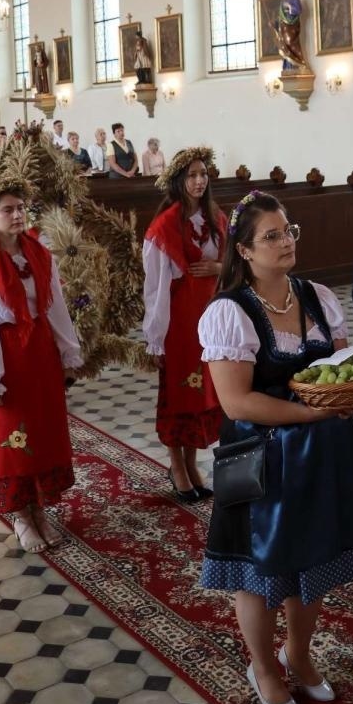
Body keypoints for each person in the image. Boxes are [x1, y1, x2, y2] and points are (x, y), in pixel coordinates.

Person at [198, 190, 353, 704]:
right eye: (272, 236)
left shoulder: (318, 296)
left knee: (315, 561)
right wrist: (314, 415)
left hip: (323, 455)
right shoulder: (229, 313)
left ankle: (297, 655)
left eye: (289, 231)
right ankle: (264, 667)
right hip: (261, 459)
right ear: (245, 250)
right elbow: (236, 401)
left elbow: (342, 366)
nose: (286, 241)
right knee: (260, 571)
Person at [0, 184, 83, 552]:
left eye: (21, 207)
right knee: (12, 435)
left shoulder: (40, 255)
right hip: (5, 355)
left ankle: (39, 508)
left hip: (39, 354)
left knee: (40, 433)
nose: (18, 215)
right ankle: (21, 515)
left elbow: (55, 308)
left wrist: (68, 354)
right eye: (8, 209)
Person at [143, 148, 226, 499]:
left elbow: (236, 262)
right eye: (192, 175)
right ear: (179, 180)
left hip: (212, 316)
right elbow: (156, 287)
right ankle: (176, 464)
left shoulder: (216, 219)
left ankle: (192, 463)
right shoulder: (164, 227)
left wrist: (218, 269)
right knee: (180, 391)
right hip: (179, 321)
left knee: (204, 390)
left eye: (203, 174)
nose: (198, 181)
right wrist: (155, 337)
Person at [273, 0, 310, 71]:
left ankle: (298, 63)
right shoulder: (282, 1)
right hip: (283, 26)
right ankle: (288, 65)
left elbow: (298, 10)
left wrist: (289, 6)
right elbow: (280, 15)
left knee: (290, 41)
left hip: (292, 24)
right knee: (284, 43)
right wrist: (275, 23)